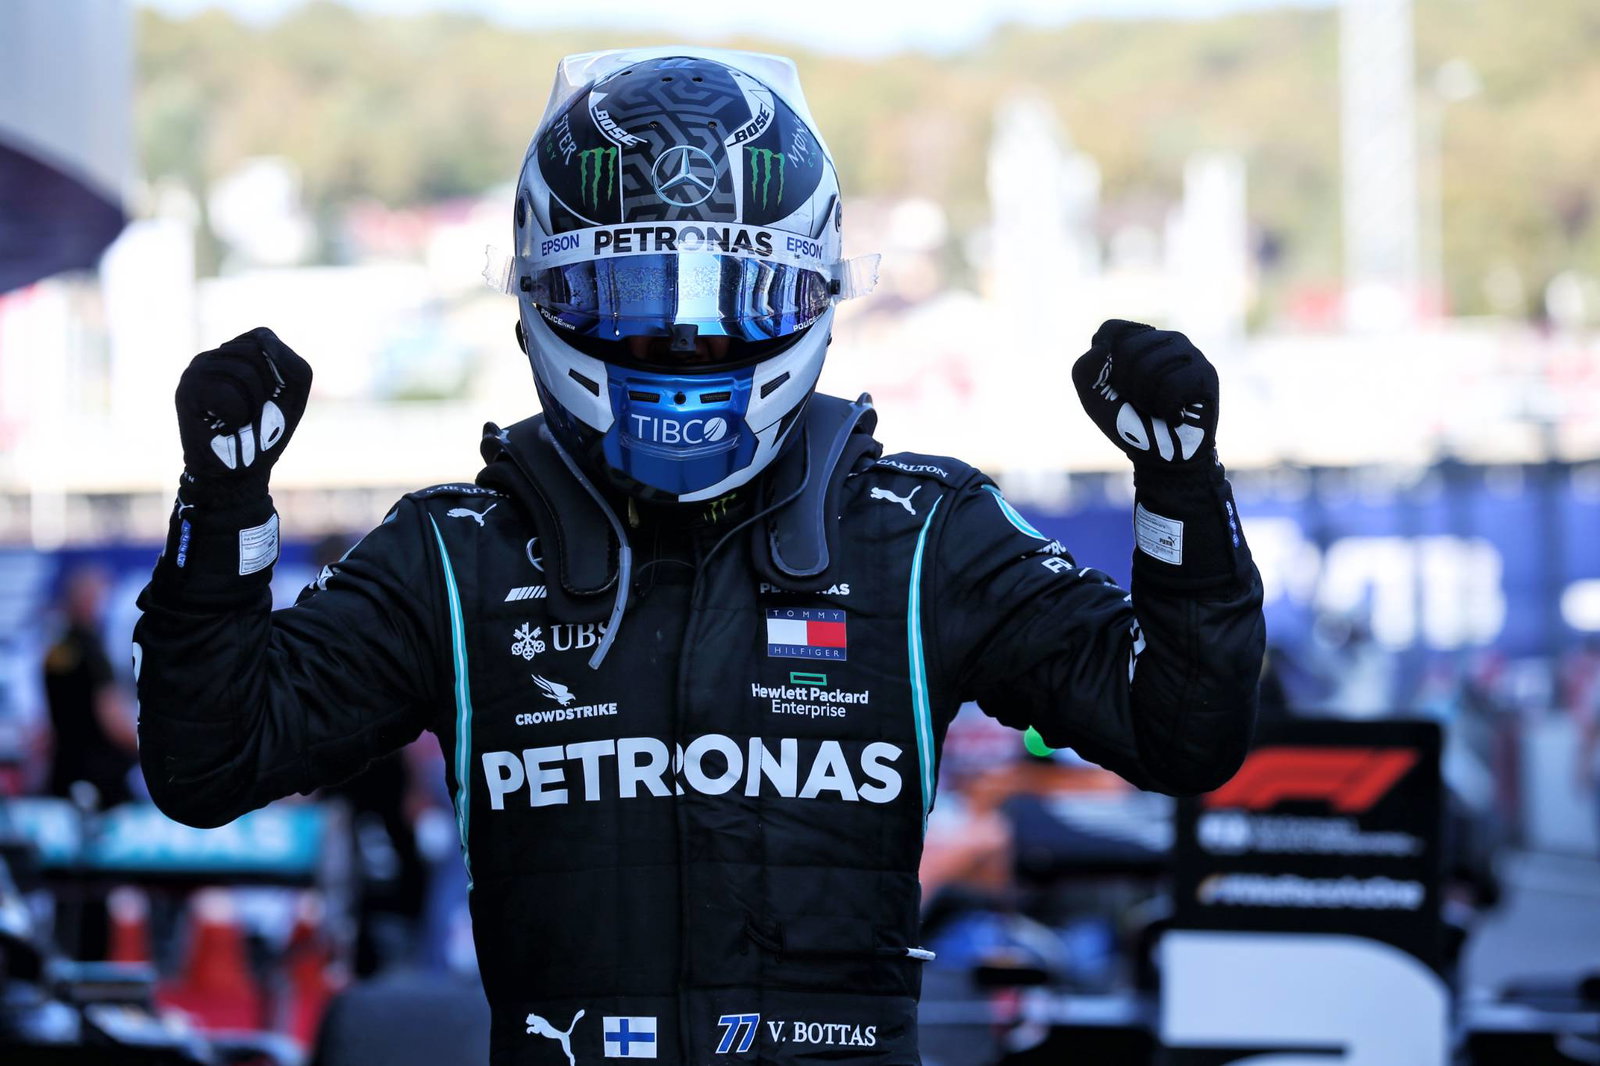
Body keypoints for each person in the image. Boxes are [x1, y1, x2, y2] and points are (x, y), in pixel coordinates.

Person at [134, 48, 1265, 1065]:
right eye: (629, 294)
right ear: (541, 294)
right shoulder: (458, 551)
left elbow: (1179, 729)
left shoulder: (919, 533)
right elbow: (210, 762)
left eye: (735, 291)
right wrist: (224, 515)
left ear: (813, 291)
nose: (683, 336)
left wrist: (1182, 497)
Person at [43, 565, 137, 808]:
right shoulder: (91, 651)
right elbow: (111, 717)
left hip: (64, 769)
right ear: (89, 600)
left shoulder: (55, 649)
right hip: (102, 776)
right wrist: (152, 750)